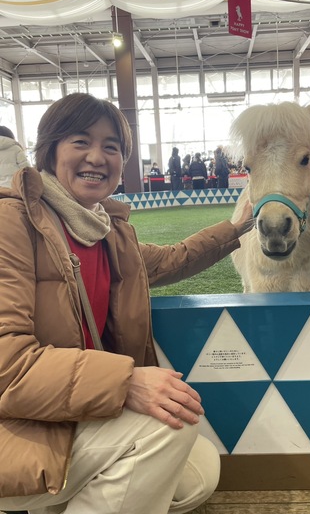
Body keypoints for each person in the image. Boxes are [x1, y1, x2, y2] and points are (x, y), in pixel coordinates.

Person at [0, 93, 253, 514]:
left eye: (112, 146)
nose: (97, 157)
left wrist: (236, 227)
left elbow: (173, 259)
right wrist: (126, 381)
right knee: (166, 432)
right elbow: (8, 368)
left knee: (198, 474)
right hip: (22, 423)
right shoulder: (12, 221)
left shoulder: (108, 230)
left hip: (78, 409)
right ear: (50, 150)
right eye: (81, 141)